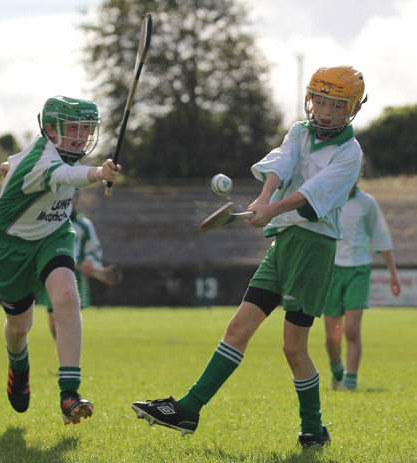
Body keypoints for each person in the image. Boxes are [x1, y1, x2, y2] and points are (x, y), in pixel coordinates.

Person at [132, 65, 367, 448]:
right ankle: (189, 409)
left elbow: (313, 193)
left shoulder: (349, 154)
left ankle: (313, 429)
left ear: (352, 109)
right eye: (320, 100)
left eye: (336, 105)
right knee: (237, 329)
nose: (325, 111)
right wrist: (262, 200)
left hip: (314, 248)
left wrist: (271, 211)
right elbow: (281, 165)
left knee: (293, 347)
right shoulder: (299, 131)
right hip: (284, 243)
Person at [0, 95, 120, 425]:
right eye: (73, 128)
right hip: (8, 250)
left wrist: (10, 169)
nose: (82, 136)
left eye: (86, 129)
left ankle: (69, 392)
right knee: (20, 328)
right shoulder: (44, 161)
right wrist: (100, 173)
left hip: (53, 237)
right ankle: (18, 365)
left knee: (68, 297)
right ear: (50, 130)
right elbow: (67, 177)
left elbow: (16, 164)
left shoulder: (56, 153)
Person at [323, 167, 401, 390]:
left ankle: (351, 381)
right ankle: (337, 368)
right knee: (332, 336)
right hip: (331, 271)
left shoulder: (368, 203)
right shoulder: (327, 197)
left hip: (358, 269)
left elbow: (381, 237)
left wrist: (393, 274)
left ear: (361, 171)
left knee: (351, 330)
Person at [38, 188, 122, 339]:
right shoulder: (50, 221)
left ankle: (69, 360)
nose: (70, 200)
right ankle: (64, 355)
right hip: (52, 274)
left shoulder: (84, 225)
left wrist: (90, 262)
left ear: (78, 199)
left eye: (74, 197)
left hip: (76, 278)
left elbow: (93, 248)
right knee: (54, 325)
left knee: (69, 321)